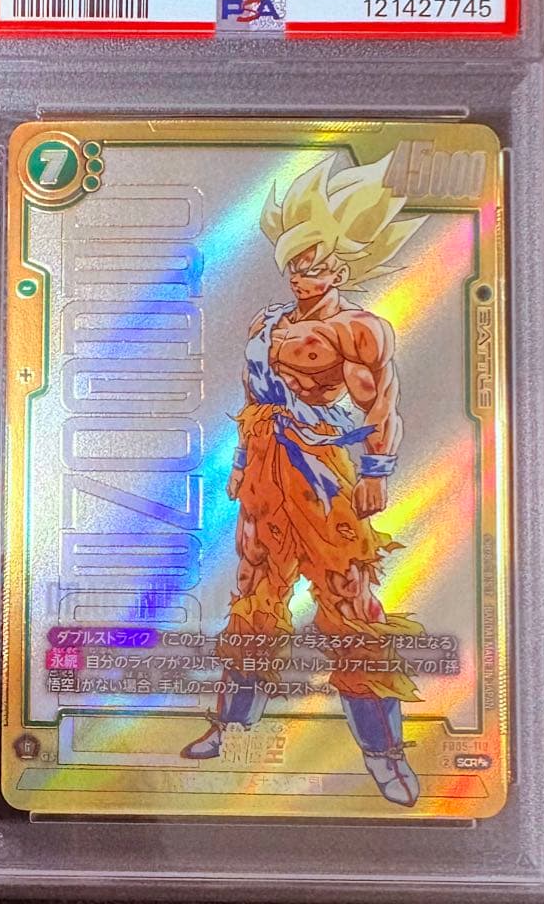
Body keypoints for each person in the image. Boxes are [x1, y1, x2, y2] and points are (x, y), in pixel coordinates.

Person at [181, 152, 427, 807]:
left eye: (313, 265)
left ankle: (384, 752)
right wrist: (241, 464)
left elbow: (381, 406)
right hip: (268, 469)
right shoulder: (267, 325)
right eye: (294, 263)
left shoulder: (358, 330)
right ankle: (230, 724)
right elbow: (252, 400)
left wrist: (375, 471)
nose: (301, 275)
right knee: (255, 593)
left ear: (339, 268)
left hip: (325, 472)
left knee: (349, 603)